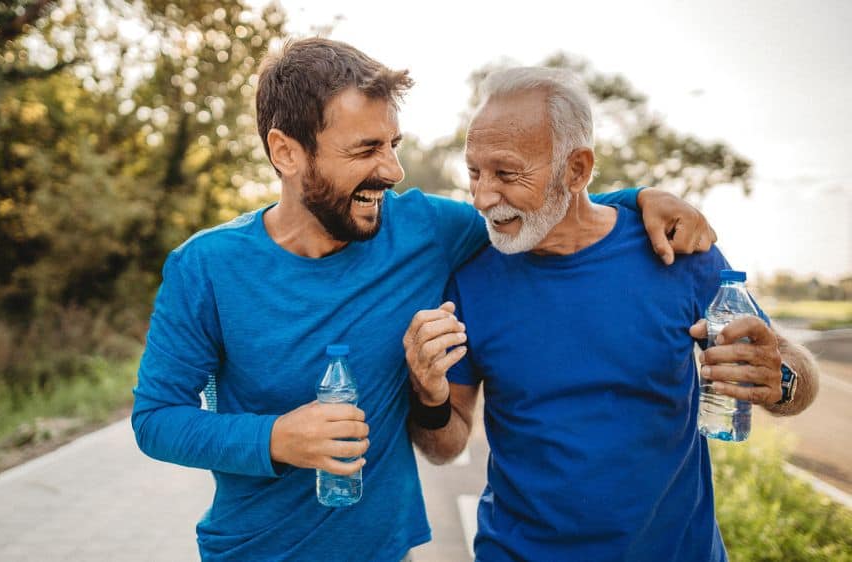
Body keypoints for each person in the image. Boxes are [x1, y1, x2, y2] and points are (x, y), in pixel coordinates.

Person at [131, 38, 718, 562]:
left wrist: (642, 197)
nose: (392, 169)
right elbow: (156, 419)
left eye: (393, 144)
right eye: (365, 150)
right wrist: (273, 439)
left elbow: (541, 208)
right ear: (286, 152)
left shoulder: (425, 231)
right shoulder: (205, 267)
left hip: (387, 550)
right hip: (252, 550)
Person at [403, 66, 820, 561]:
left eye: (507, 173)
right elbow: (445, 445)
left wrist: (784, 379)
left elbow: (794, 378)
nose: (482, 196)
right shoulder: (471, 278)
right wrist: (427, 394)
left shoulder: (676, 250)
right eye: (474, 171)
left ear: (576, 170)